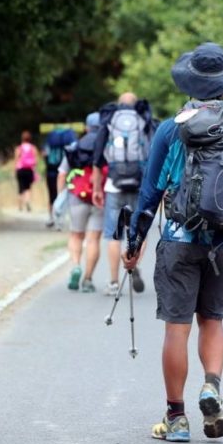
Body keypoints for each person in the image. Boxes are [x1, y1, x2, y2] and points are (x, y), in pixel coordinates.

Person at [122, 42, 223, 442]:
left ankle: (177, 418)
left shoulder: (172, 127)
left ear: (189, 81)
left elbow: (150, 192)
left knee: (177, 328)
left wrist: (134, 242)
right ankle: (211, 387)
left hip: (179, 240)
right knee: (213, 321)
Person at [91, 92, 156, 296]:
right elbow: (154, 154)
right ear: (136, 104)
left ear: (119, 105)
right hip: (139, 185)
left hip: (114, 186)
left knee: (113, 234)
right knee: (140, 231)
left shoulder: (110, 121)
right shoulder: (144, 120)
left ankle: (113, 282)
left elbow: (97, 158)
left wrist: (96, 188)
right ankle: (133, 262)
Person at [57, 113, 104, 292]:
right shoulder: (105, 147)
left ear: (86, 127)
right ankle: (88, 279)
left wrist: (60, 195)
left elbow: (62, 173)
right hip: (99, 197)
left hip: (77, 195)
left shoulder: (75, 146)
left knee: (76, 235)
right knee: (93, 239)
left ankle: (76, 265)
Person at [44, 127, 77, 227]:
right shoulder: (70, 139)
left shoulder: (50, 139)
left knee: (51, 195)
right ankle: (63, 219)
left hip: (51, 171)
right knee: (67, 195)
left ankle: (51, 217)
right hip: (67, 171)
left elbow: (45, 153)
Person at [14, 130, 39, 212]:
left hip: (20, 169)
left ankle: (20, 205)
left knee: (20, 188)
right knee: (28, 188)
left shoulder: (19, 148)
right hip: (29, 170)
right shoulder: (33, 148)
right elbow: (36, 160)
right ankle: (27, 202)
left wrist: (15, 169)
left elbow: (16, 159)